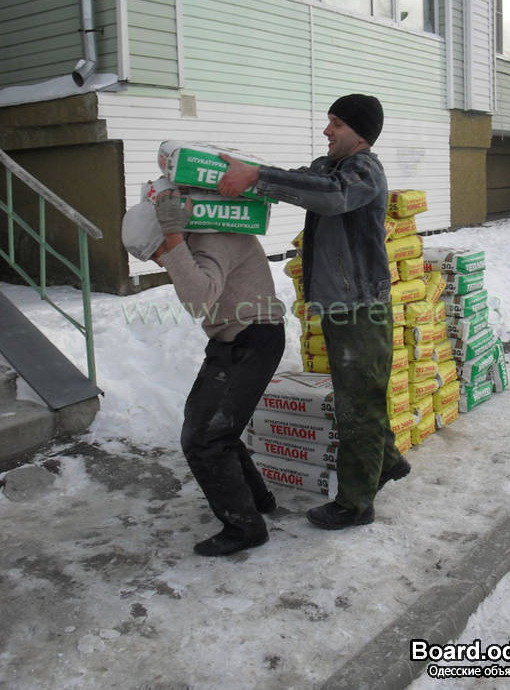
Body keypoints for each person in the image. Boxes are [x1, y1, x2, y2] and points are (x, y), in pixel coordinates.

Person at [217, 93, 410, 531]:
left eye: (336, 124)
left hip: (362, 309)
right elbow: (304, 180)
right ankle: (387, 461)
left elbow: (332, 196)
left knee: (357, 406)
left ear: (360, 134)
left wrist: (258, 177)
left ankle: (356, 505)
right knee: (359, 395)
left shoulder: (364, 172)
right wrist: (252, 176)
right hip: (342, 306)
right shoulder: (331, 168)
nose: (326, 131)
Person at [121, 192, 285, 555]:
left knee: (203, 438)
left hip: (253, 338)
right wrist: (173, 243)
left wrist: (173, 242)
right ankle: (257, 501)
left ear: (170, 230)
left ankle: (245, 528)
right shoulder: (200, 234)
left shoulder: (213, 237)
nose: (162, 261)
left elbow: (198, 300)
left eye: (158, 252)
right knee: (210, 428)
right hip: (234, 339)